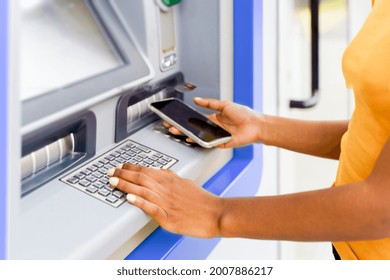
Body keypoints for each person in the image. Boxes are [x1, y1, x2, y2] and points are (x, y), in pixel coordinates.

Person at [106, 0, 390, 260]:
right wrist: (262, 127)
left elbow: (382, 208)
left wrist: (215, 214)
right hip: (351, 248)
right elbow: (372, 133)